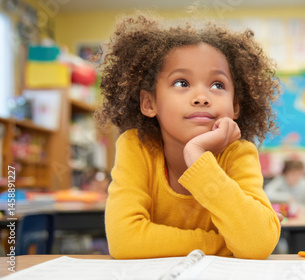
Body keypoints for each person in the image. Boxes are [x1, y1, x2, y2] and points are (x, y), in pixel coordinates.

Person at [95, 13, 281, 260]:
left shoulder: (238, 153)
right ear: (149, 102)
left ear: (235, 106)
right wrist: (225, 244)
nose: (202, 97)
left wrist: (197, 157)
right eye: (182, 83)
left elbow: (257, 244)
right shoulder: (136, 147)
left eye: (217, 85)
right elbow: (125, 242)